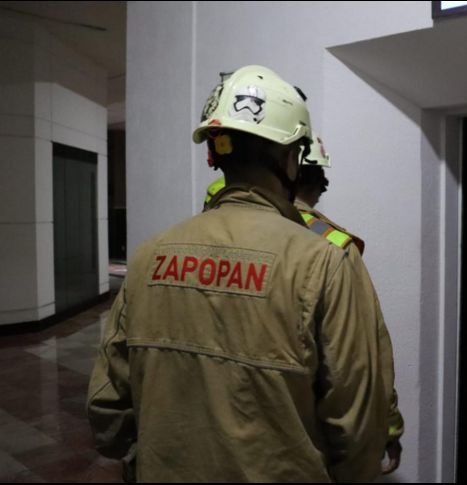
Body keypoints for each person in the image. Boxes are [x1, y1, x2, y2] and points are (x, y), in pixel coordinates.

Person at [87, 65, 396, 482]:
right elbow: (357, 423)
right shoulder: (325, 262)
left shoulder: (147, 256)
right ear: (290, 158)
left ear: (215, 155)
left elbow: (107, 406)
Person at [201, 132, 405, 474]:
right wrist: (388, 428)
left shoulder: (202, 230)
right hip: (287, 451)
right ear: (298, 172)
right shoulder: (331, 248)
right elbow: (360, 366)